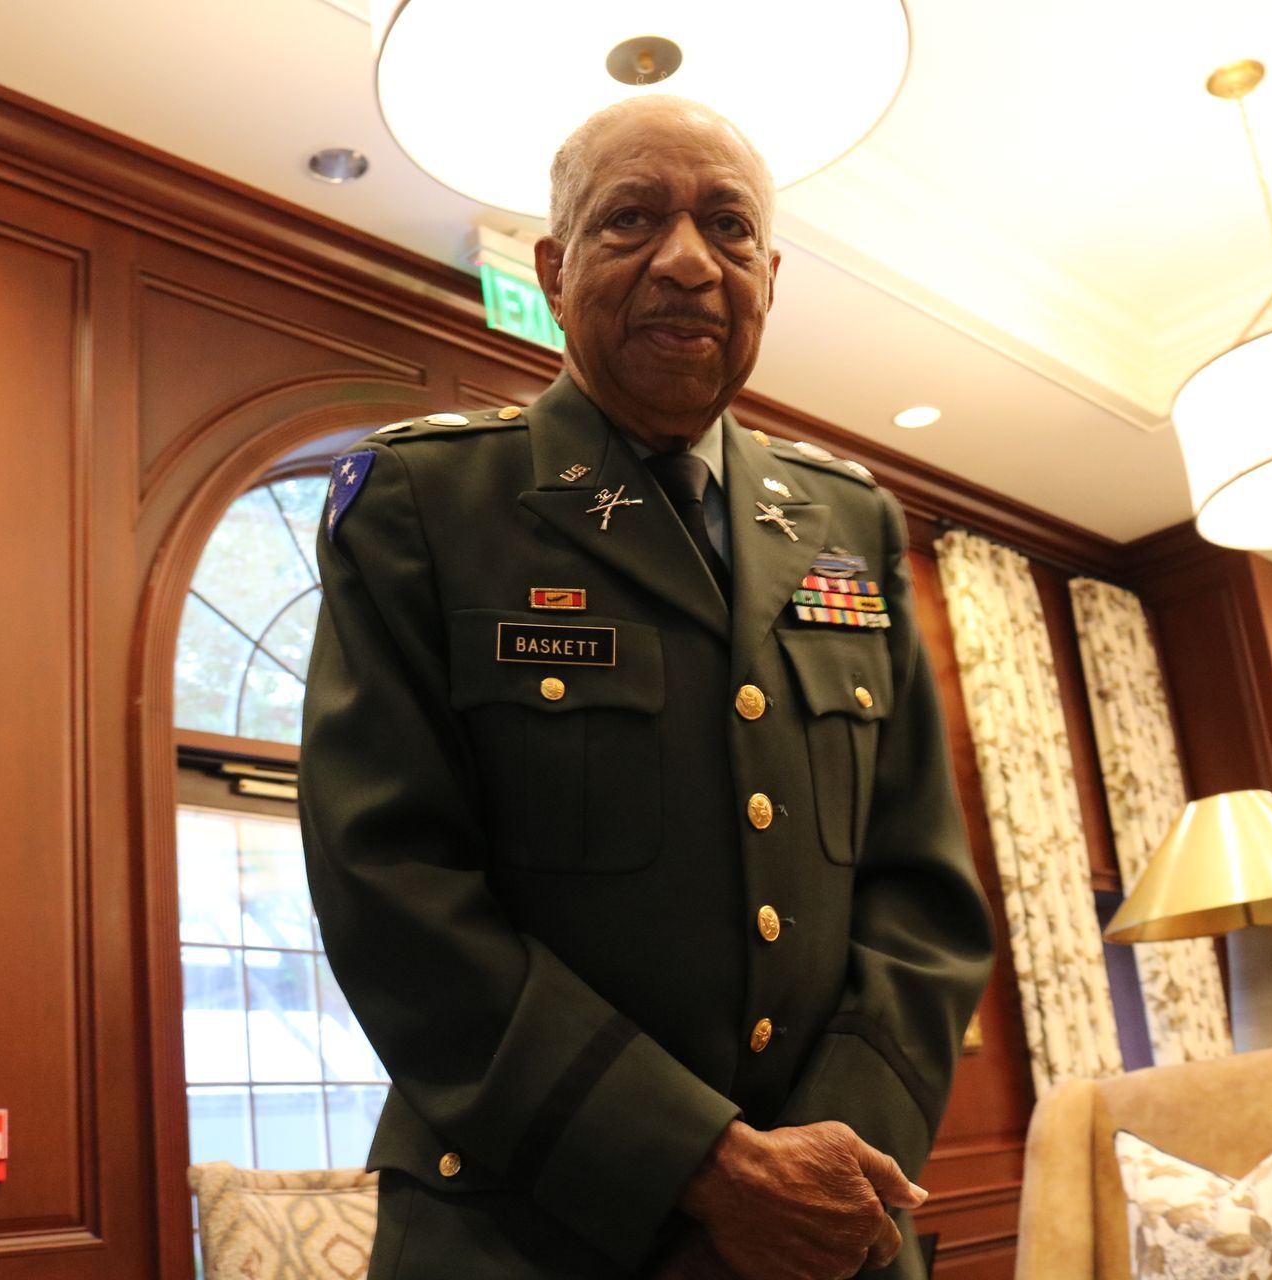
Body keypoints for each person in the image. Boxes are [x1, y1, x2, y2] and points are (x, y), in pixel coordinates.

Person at [300, 94, 993, 1280]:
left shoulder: (850, 522)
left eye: (726, 226)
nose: (687, 259)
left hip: (830, 1236)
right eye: (633, 219)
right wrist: (705, 1163)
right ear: (557, 272)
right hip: (520, 1227)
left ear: (768, 276)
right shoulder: (430, 504)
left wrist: (831, 1171)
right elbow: (392, 887)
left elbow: (923, 891)